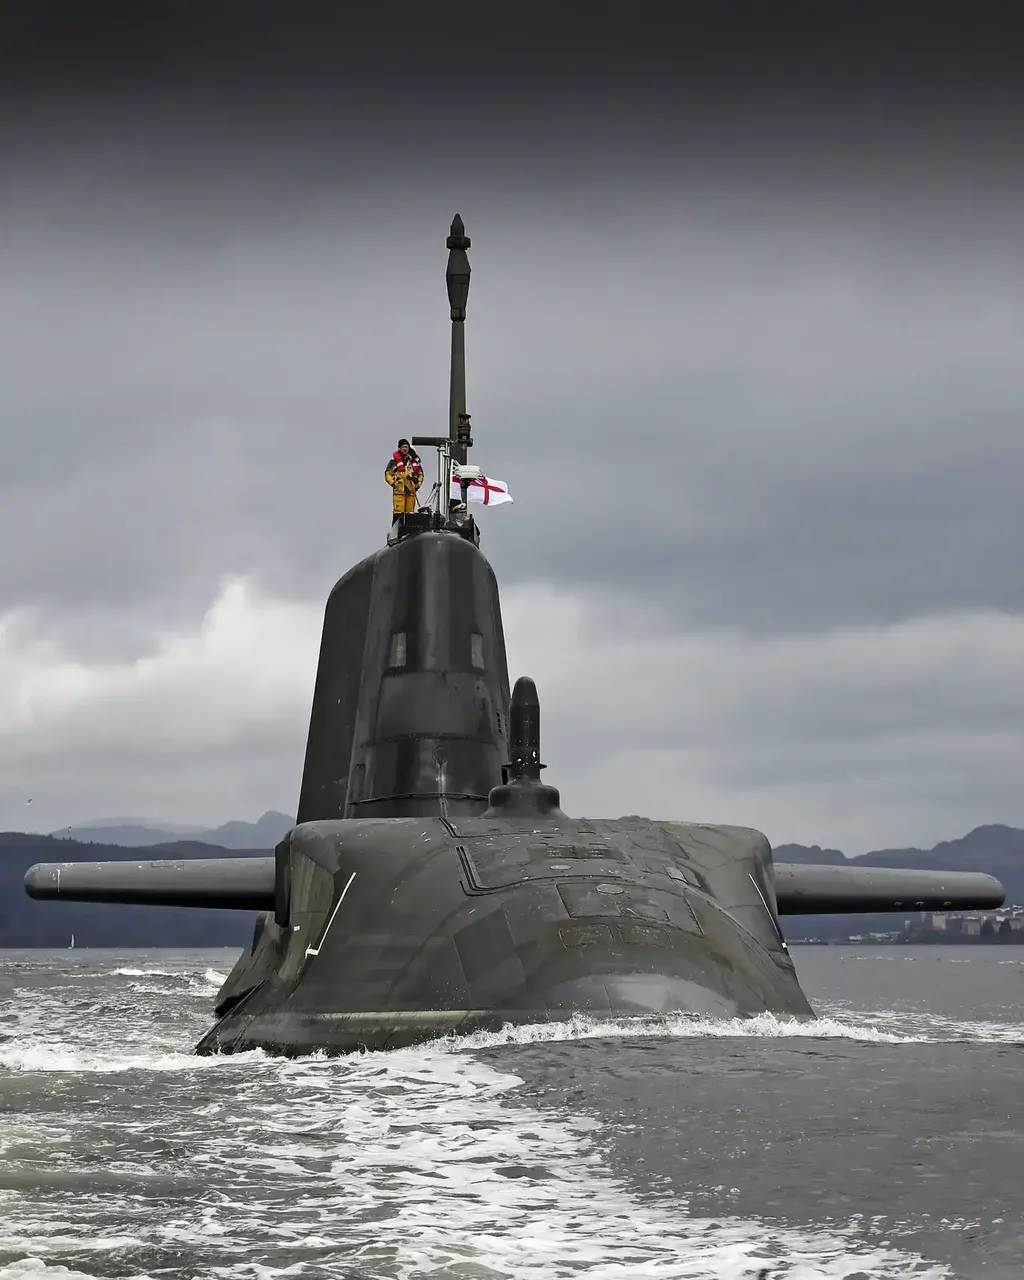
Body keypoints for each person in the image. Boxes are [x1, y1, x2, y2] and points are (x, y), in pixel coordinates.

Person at [385, 438, 424, 520]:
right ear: (399, 448)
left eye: (406, 447)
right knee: (398, 514)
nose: (405, 449)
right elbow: (388, 474)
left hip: (411, 491)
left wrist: (418, 484)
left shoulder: (413, 462)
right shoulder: (394, 462)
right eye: (403, 447)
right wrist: (393, 483)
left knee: (410, 514)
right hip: (399, 491)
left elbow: (420, 474)